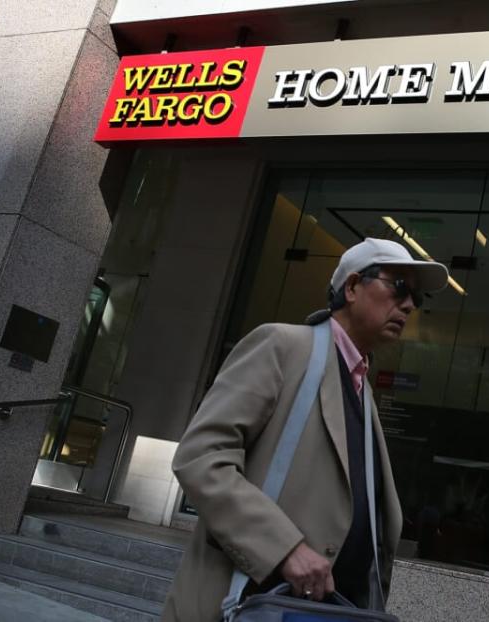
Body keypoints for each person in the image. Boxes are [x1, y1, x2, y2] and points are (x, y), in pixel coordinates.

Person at [162, 238, 449, 622]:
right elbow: (201, 457)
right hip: (249, 607)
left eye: (416, 297)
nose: (410, 304)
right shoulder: (282, 346)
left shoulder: (360, 386)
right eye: (399, 286)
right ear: (351, 287)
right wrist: (285, 548)